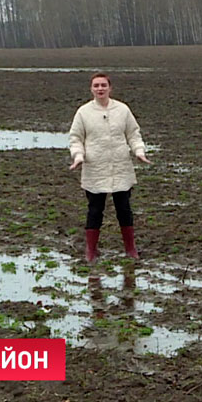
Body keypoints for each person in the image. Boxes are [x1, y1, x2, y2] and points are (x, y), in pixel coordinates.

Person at [69, 72, 151, 262]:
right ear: (91, 89)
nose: (100, 89)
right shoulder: (83, 112)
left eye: (103, 85)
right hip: (95, 168)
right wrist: (78, 156)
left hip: (121, 167)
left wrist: (139, 151)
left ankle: (130, 249)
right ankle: (90, 251)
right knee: (95, 210)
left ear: (110, 88)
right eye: (96, 86)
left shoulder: (122, 110)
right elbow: (75, 138)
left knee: (124, 209)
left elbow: (133, 133)